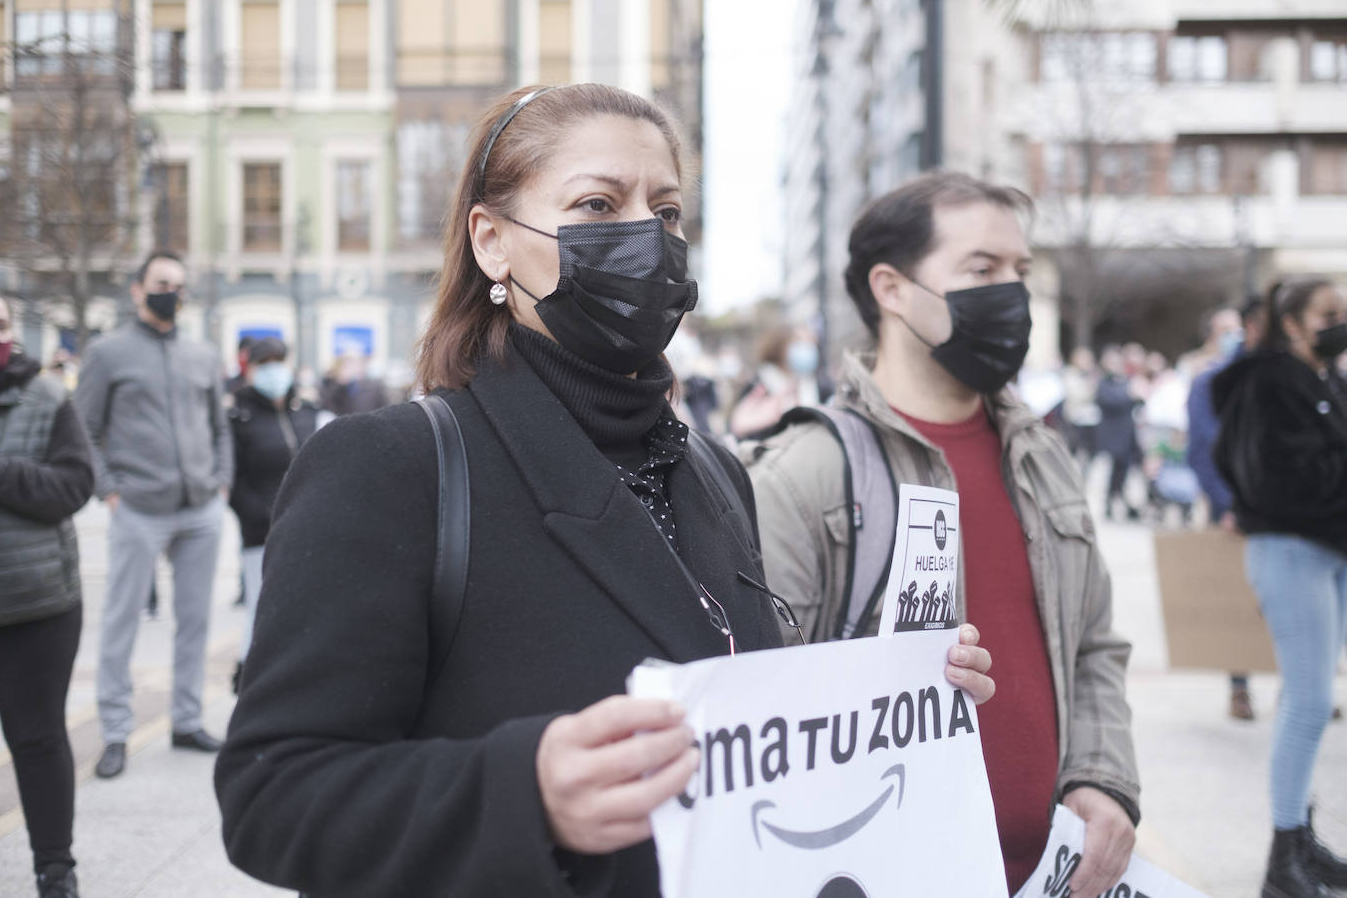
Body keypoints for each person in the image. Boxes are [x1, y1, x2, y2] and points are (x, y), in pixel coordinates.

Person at [212, 84, 996, 898]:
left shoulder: (717, 472)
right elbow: (274, 796)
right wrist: (524, 791)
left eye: (665, 212)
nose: (643, 238)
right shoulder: (387, 466)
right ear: (493, 243)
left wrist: (887, 702)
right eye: (596, 203)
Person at [746, 171, 1139, 898]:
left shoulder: (1041, 454)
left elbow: (1095, 646)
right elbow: (763, 710)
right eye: (982, 270)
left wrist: (1103, 779)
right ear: (891, 289)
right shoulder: (806, 473)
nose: (1012, 294)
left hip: (1053, 872)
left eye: (1020, 271)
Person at [75, 251, 234, 779]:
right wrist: (110, 490)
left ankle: (186, 720)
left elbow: (219, 426)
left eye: (180, 284)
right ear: (137, 289)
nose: (173, 292)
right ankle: (116, 731)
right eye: (162, 282)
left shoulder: (202, 354)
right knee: (121, 620)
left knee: (195, 621)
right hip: (138, 507)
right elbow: (84, 430)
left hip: (200, 509)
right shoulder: (106, 354)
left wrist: (221, 481)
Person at [1213, 275, 1347, 898]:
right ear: (1292, 322)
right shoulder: (1268, 382)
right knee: (1309, 700)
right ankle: (1283, 854)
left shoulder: (1325, 379)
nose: (1340, 322)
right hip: (1292, 549)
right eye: (1329, 313)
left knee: (1314, 703)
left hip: (1327, 549)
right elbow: (1271, 475)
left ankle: (1301, 836)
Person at [0, 292, 94, 897]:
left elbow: (74, 486)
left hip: (34, 607)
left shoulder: (48, 396)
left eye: (0, 324)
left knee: (39, 739)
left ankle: (55, 869)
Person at [226, 336, 319, 692]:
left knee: (305, 606)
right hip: (261, 533)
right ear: (250, 370)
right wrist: (261, 517)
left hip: (308, 528)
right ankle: (249, 680)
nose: (274, 371)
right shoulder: (239, 417)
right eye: (264, 364)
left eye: (278, 362)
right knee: (260, 608)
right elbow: (235, 482)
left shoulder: (305, 410)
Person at [1186, 298, 1265, 721]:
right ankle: (1240, 686)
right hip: (1231, 507)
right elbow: (1202, 450)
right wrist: (1226, 505)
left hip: (1271, 508)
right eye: (1227, 330)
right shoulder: (1208, 382)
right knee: (1236, 597)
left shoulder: (1262, 377)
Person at [727, 324, 832, 439]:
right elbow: (739, 432)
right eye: (799, 340)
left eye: (811, 341)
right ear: (779, 346)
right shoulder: (758, 388)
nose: (807, 347)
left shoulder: (819, 386)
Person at [1095, 346, 1143, 521]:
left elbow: (1138, 401)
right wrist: (1129, 396)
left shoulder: (1127, 381)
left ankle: (1121, 499)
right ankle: (1110, 500)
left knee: (1124, 470)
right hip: (1112, 433)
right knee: (1112, 470)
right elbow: (1107, 401)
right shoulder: (1104, 382)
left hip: (1127, 432)